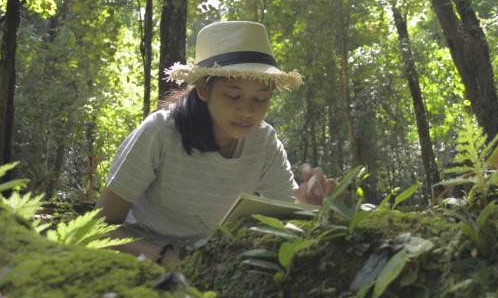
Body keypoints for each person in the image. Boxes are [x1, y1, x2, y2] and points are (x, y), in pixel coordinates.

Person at [97, 21, 336, 270]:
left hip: (211, 263)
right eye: (233, 95)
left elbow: (288, 219)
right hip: (140, 261)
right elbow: (98, 228)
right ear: (203, 89)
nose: (247, 110)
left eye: (261, 98)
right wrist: (163, 256)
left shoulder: (263, 142)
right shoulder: (160, 132)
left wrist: (309, 208)